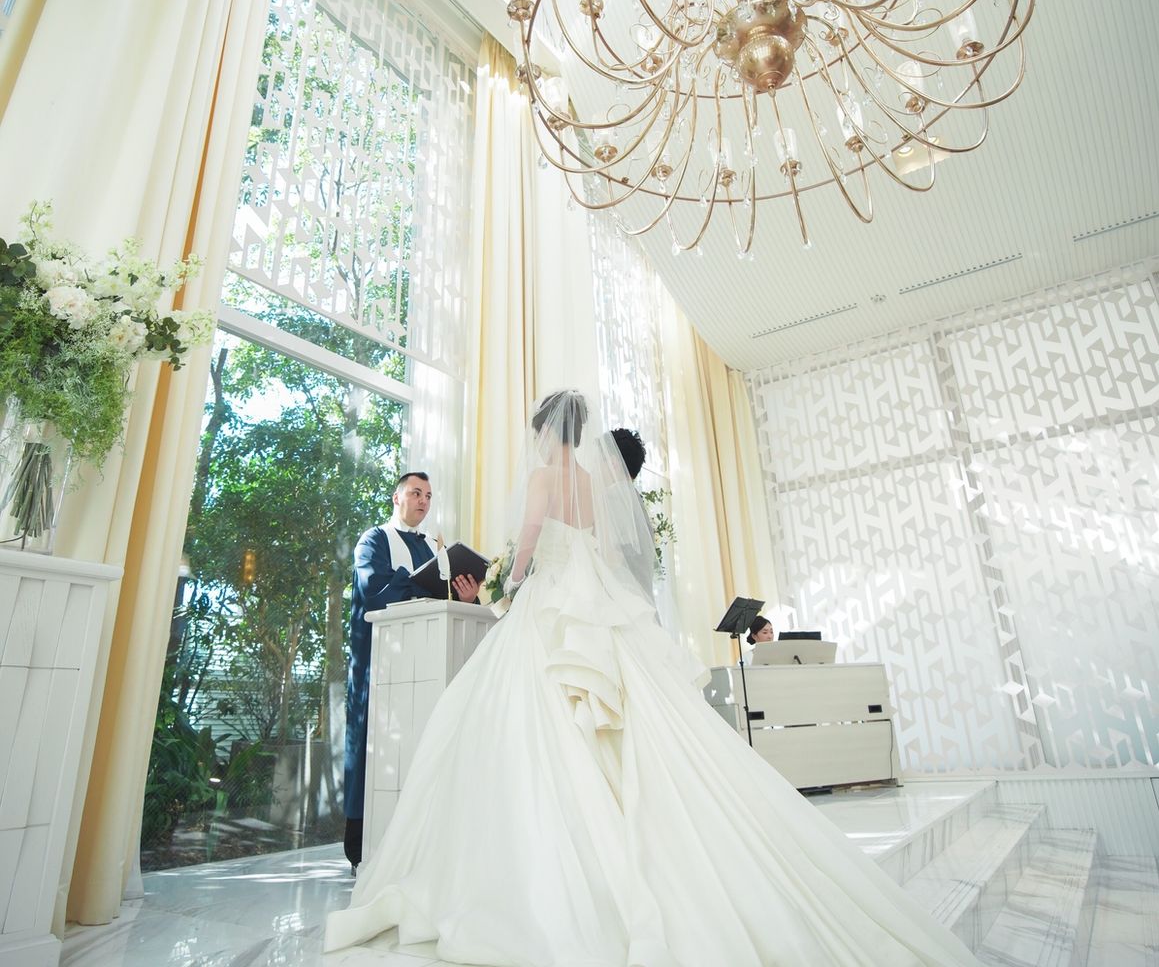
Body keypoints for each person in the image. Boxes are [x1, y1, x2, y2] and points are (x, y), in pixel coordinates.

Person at [326, 391, 982, 965]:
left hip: (551, 604)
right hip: (596, 603)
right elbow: (605, 553)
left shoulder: (545, 476)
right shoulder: (594, 482)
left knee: (519, 722)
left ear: (545, 431)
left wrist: (506, 589)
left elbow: (525, 547)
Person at [342, 470, 480, 874]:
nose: (424, 501)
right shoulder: (374, 540)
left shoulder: (434, 548)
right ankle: (362, 844)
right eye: (416, 493)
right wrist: (423, 585)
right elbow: (375, 589)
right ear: (396, 497)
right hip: (381, 663)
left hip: (429, 662)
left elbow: (442, 594)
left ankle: (420, 845)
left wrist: (466, 595)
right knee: (373, 748)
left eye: (429, 496)